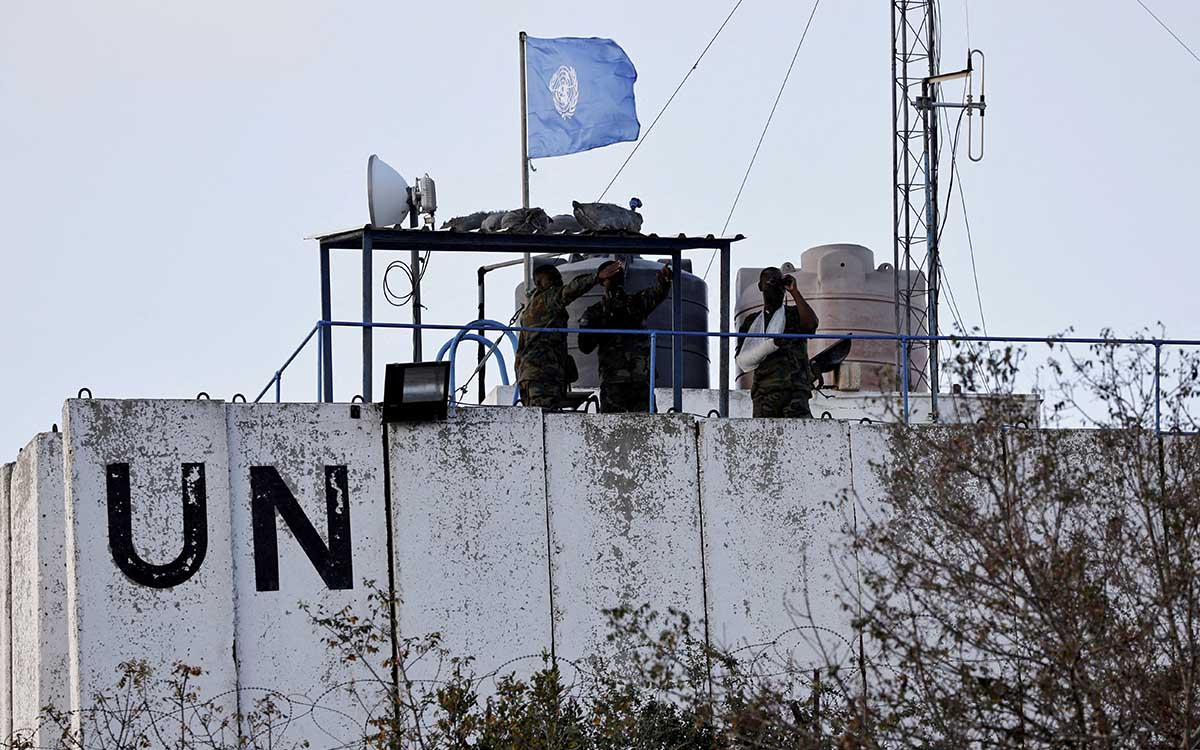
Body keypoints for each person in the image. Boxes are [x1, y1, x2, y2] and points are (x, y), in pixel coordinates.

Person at [515, 261, 624, 408]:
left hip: (533, 376)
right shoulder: (547, 300)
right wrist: (597, 277)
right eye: (553, 279)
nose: (559, 283)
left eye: (559, 279)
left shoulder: (529, 311)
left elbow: (520, 352)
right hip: (543, 375)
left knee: (539, 420)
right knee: (546, 419)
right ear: (540, 283)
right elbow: (571, 290)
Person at [578, 260, 673, 413]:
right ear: (602, 281)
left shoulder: (636, 303)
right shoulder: (595, 312)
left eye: (619, 275)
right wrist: (599, 327)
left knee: (649, 427)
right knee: (612, 429)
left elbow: (657, 293)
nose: (617, 279)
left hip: (640, 379)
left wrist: (664, 281)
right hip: (613, 380)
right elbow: (585, 346)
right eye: (612, 276)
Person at [735, 267, 820, 418]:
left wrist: (794, 291)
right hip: (765, 393)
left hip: (795, 392)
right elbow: (743, 360)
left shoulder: (793, 314)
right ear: (761, 287)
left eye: (780, 283)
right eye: (771, 282)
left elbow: (811, 325)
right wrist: (771, 344)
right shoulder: (751, 322)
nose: (777, 288)